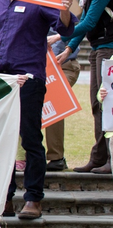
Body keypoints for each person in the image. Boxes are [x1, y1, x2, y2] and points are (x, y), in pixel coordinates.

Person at [0, 0, 73, 219]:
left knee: (30, 139)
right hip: (1, 81)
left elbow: (67, 29)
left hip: (29, 81)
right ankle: (5, 197)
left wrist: (63, 10)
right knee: (2, 141)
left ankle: (34, 198)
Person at [58, 0, 113, 174]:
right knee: (96, 104)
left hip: (108, 50)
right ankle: (99, 157)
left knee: (106, 105)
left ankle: (106, 158)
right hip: (98, 48)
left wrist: (60, 36)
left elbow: (88, 23)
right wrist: (69, 48)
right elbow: (84, 24)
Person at [45, 30, 81, 171]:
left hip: (63, 64)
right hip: (37, 66)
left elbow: (68, 32)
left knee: (53, 101)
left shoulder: (57, 11)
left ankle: (56, 157)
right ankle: (25, 156)